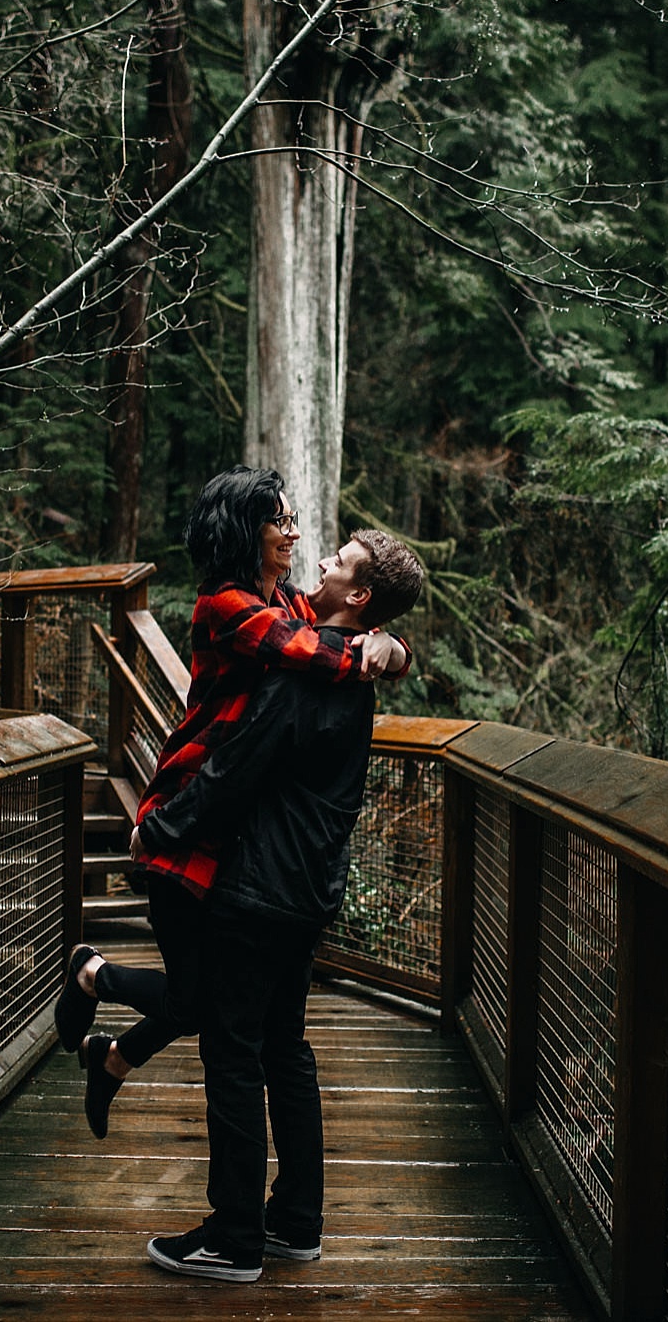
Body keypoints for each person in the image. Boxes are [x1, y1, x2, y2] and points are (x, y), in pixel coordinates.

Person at [52, 467, 409, 1138]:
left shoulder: (286, 596)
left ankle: (108, 1042)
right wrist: (373, 652)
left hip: (227, 830)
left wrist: (390, 644)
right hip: (188, 805)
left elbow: (339, 625)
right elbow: (305, 648)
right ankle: (90, 977)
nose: (296, 533)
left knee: (206, 1002)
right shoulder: (227, 603)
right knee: (205, 1003)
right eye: (281, 520)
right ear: (247, 530)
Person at [136, 529, 427, 1283]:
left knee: (233, 1056)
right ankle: (295, 1221)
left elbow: (231, 772)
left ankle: (233, 1237)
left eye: (340, 561)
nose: (323, 560)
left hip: (257, 890)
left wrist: (158, 829)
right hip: (309, 892)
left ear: (358, 596)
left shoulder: (303, 679)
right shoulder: (348, 667)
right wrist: (390, 647)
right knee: (286, 1050)